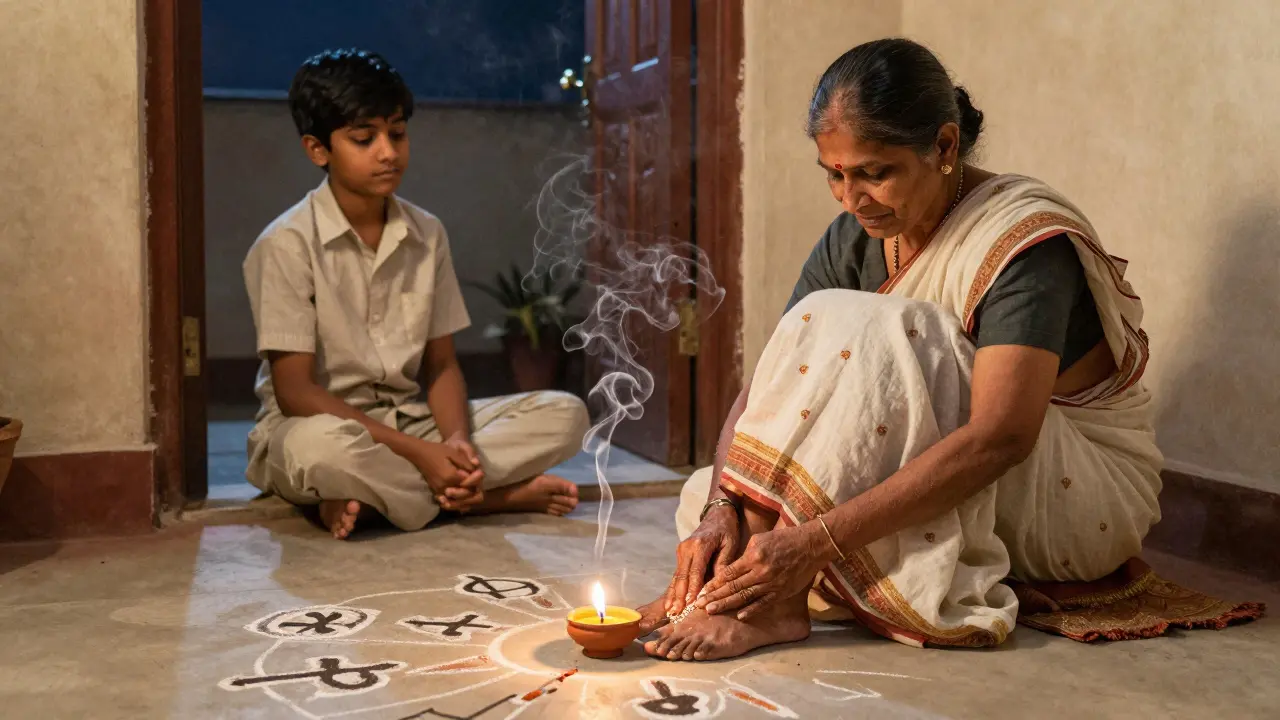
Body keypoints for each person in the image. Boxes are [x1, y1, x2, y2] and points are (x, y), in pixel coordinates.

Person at [637, 38, 1162, 660]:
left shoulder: (1023, 240)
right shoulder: (853, 236)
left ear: (943, 147)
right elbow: (771, 384)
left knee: (894, 327)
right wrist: (725, 505)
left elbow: (1003, 438)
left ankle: (769, 595)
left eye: (873, 173)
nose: (850, 199)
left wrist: (811, 543)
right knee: (713, 488)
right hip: (968, 481)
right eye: (835, 174)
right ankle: (750, 573)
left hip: (1070, 492)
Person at [243, 49, 590, 539]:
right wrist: (424, 456)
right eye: (364, 139)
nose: (388, 151)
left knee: (565, 415)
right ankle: (487, 499)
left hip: (409, 422)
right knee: (317, 452)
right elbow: (296, 393)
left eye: (398, 133)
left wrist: (454, 444)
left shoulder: (427, 232)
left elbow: (442, 365)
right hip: (320, 426)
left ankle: (383, 501)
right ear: (317, 149)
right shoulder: (285, 243)